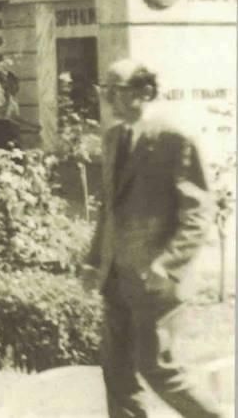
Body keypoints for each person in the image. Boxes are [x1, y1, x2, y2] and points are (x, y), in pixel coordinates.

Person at [80, 58, 220, 418]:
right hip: (116, 276)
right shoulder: (112, 138)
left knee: (158, 368)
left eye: (117, 91)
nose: (109, 99)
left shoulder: (174, 139)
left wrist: (167, 264)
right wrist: (95, 260)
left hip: (155, 280)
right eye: (105, 90)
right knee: (116, 372)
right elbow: (109, 208)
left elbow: (197, 212)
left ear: (144, 91)